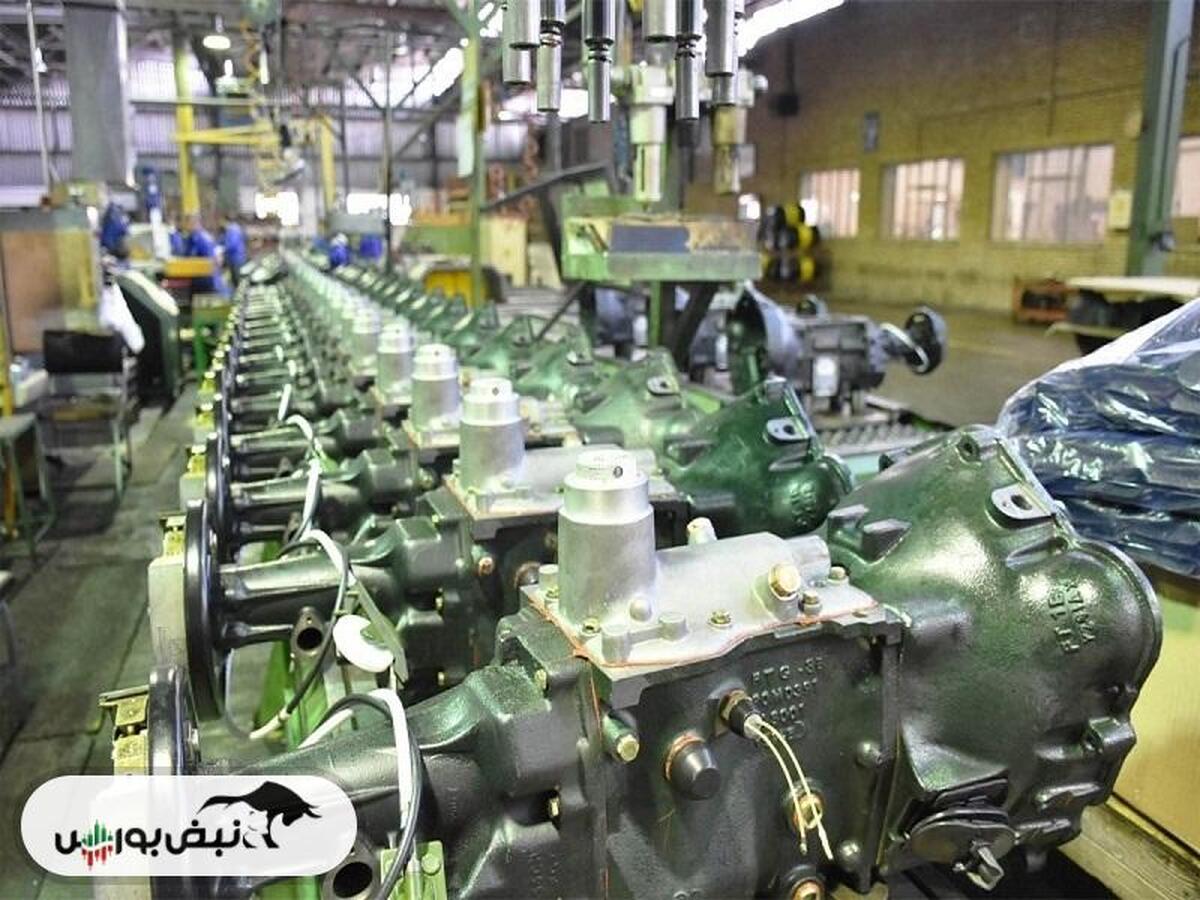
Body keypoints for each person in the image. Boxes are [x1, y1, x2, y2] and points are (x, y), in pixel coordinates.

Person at [184, 214, 229, 296]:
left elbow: (211, 259)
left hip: (206, 279)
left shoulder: (199, 238)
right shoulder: (199, 236)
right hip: (207, 277)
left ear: (195, 223)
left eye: (188, 223)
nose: (187, 227)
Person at [220, 216, 248, 289]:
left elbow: (233, 244)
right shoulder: (230, 230)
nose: (221, 224)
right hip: (234, 258)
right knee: (234, 278)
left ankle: (238, 292)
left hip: (236, 258)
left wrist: (223, 249)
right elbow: (224, 240)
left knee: (236, 279)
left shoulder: (233, 230)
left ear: (226, 221)